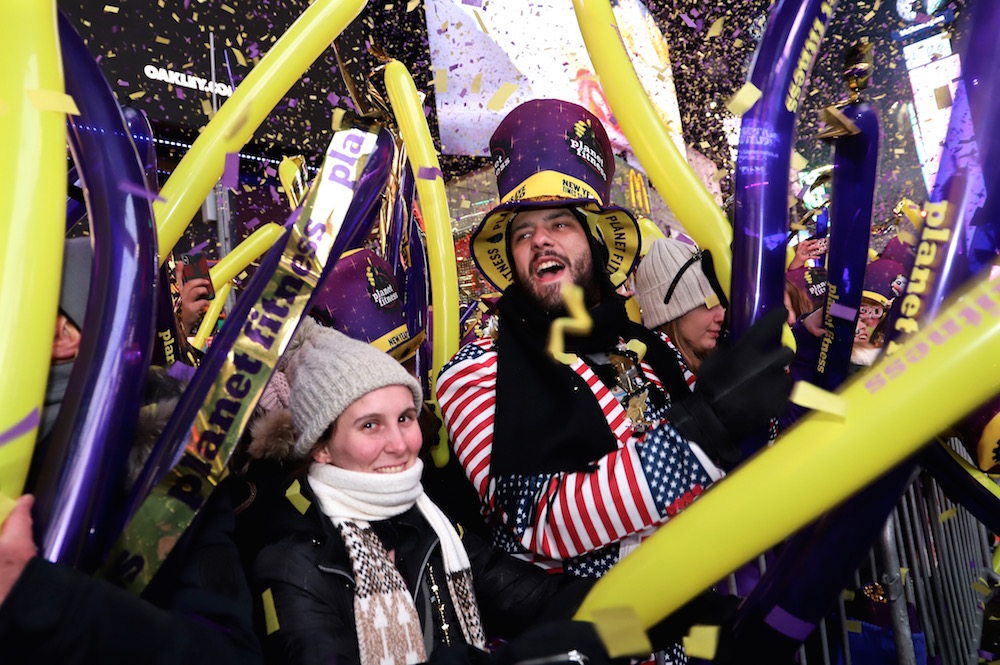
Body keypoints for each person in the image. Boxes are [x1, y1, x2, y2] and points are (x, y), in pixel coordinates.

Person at [436, 99, 792, 584]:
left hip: (687, 628)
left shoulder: (636, 352)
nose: (540, 240)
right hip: (585, 641)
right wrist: (704, 433)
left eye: (560, 223)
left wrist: (749, 395)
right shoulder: (475, 369)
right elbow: (539, 521)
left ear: (596, 243)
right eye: (523, 233)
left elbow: (712, 449)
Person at [242, 320, 614, 665]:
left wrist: (637, 620)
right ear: (320, 447)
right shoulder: (293, 562)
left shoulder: (427, 518)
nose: (400, 444)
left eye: (405, 418)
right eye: (370, 425)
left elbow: (530, 596)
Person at [633, 237, 727, 375]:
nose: (721, 316)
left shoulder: (720, 356)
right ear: (671, 313)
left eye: (720, 304)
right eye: (707, 305)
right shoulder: (651, 383)